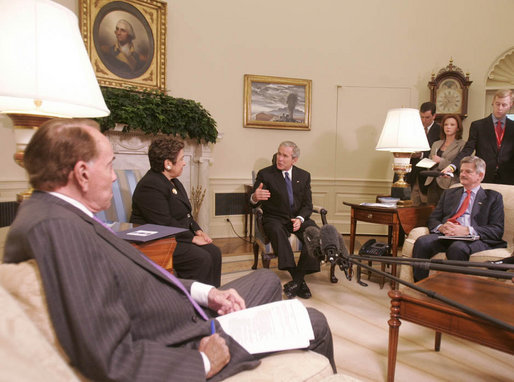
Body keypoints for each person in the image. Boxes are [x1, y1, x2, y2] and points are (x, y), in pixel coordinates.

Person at [3, 119, 336, 381]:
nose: (114, 177)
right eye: (109, 166)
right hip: (185, 335)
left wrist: (208, 294)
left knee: (264, 279)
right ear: (82, 173)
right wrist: (203, 361)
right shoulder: (57, 229)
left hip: (188, 307)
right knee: (314, 321)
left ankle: (252, 324)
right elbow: (110, 357)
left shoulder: (64, 215)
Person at [130, 137, 222, 287]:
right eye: (181, 159)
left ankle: (212, 297)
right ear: (167, 164)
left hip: (176, 235)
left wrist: (198, 231)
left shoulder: (173, 181)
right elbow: (163, 223)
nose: (184, 162)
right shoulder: (150, 185)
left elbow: (186, 214)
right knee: (201, 258)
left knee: (214, 252)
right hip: (157, 241)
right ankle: (194, 302)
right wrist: (192, 239)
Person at [412, 156, 506, 281]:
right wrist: (441, 227)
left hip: (473, 239)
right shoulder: (450, 193)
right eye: (461, 171)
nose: (462, 174)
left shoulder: (493, 197)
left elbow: (497, 230)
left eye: (468, 171)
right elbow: (433, 219)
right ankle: (420, 286)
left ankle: (454, 293)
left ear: (480, 175)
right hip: (447, 235)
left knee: (457, 248)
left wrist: (467, 230)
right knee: (422, 242)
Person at [250, 141, 320, 299]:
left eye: (285, 156)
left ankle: (297, 280)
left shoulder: (304, 176)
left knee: (315, 233)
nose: (279, 159)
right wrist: (255, 197)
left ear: (294, 160)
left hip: (297, 218)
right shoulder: (265, 174)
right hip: (274, 218)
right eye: (279, 154)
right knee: (275, 230)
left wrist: (301, 219)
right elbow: (252, 200)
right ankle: (298, 278)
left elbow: (308, 205)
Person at [443, 89, 514, 184]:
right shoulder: (478, 126)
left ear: (510, 105)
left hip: (508, 178)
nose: (500, 108)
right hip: (483, 176)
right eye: (497, 104)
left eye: (504, 105)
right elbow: (468, 150)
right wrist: (452, 166)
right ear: (492, 103)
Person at [424, 114, 465, 205]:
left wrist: (441, 161)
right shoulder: (436, 144)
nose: (448, 127)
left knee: (446, 211)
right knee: (430, 212)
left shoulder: (462, 145)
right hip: (432, 181)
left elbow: (460, 164)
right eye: (446, 125)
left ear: (458, 128)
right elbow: (431, 159)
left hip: (449, 183)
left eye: (452, 125)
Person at [408, 102, 441, 204]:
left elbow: (439, 151)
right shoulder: (414, 129)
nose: (423, 120)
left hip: (428, 176)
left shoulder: (440, 130)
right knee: (413, 206)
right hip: (413, 175)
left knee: (427, 208)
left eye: (427, 117)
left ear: (434, 116)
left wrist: (421, 155)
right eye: (421, 117)